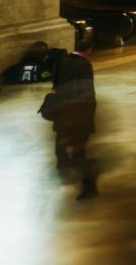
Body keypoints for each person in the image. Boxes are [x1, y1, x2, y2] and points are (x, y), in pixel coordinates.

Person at [42, 47, 98, 198]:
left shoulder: (63, 64)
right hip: (80, 112)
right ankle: (88, 184)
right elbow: (87, 89)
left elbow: (60, 88)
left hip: (68, 113)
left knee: (66, 149)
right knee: (77, 151)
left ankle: (83, 180)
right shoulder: (81, 64)